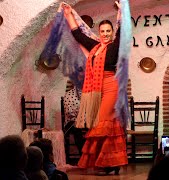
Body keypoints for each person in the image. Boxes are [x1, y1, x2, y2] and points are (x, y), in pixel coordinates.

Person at [61, 1, 128, 175]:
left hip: (111, 85)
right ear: (99, 33)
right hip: (98, 89)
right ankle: (111, 164)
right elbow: (78, 35)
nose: (105, 34)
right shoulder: (95, 47)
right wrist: (69, 15)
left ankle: (106, 164)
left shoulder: (115, 45)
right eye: (103, 31)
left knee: (101, 123)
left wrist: (121, 12)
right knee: (108, 126)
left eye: (108, 31)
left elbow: (122, 29)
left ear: (112, 32)